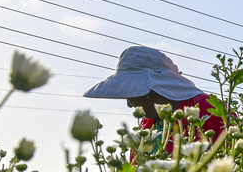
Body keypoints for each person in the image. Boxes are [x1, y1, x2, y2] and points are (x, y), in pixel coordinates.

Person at [83, 46, 227, 157]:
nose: (129, 104)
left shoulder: (210, 109)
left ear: (151, 92)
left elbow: (235, 163)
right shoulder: (147, 125)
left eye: (131, 96)